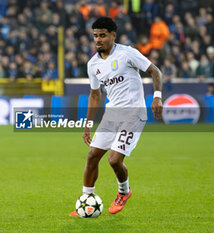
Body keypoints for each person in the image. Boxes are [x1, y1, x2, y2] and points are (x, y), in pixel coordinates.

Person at [69, 17, 163, 216]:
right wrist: (87, 124)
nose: (98, 40)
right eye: (95, 36)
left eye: (102, 35)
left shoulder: (127, 53)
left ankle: (124, 191)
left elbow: (155, 71)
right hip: (112, 114)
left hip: (134, 112)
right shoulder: (93, 64)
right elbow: (95, 95)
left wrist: (157, 97)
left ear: (113, 35)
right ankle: (86, 200)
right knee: (92, 156)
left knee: (113, 160)